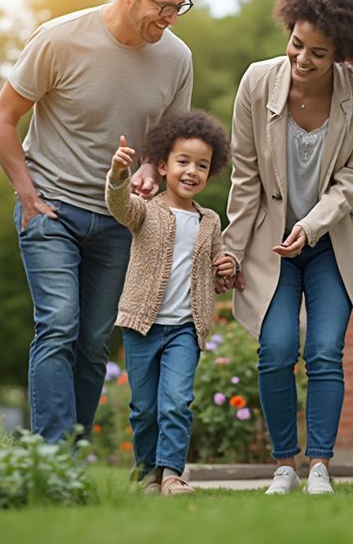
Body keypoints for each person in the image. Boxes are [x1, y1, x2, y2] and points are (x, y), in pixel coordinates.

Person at [0, 0, 198, 443]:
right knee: (58, 325)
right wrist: (27, 195)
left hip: (118, 219)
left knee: (92, 343)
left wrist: (150, 166)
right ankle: (52, 455)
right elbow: (2, 119)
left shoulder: (177, 58)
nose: (171, 17)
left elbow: (168, 141)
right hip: (52, 208)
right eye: (163, 5)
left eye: (180, 6)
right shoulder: (59, 40)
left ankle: (70, 460)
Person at [220, 0, 353, 495]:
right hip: (272, 244)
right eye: (297, 44)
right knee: (275, 349)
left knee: (324, 351)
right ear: (288, 31)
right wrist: (230, 251)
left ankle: (319, 467)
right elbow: (246, 178)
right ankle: (284, 465)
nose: (303, 60)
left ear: (342, 53)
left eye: (319, 52)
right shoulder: (255, 82)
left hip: (330, 242)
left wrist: (311, 227)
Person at [105, 111, 234, 495]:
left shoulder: (210, 221)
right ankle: (148, 474)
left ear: (210, 173)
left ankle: (172, 474)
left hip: (185, 329)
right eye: (183, 162)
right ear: (163, 165)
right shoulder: (147, 210)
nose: (191, 171)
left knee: (176, 402)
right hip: (142, 326)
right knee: (144, 408)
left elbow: (218, 274)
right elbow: (119, 206)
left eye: (201, 165)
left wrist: (227, 268)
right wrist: (117, 176)